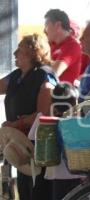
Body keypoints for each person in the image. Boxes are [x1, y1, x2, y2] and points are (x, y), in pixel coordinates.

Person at [0, 33, 57, 200]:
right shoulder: (17, 75)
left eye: (20, 50)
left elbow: (43, 114)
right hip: (20, 144)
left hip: (38, 146)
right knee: (24, 189)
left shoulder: (44, 76)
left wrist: (16, 124)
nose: (14, 53)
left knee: (38, 190)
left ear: (33, 52)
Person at [28, 83, 81, 200]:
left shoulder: (44, 119)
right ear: (74, 103)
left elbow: (32, 137)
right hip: (79, 173)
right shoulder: (78, 121)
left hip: (56, 174)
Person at [44, 9, 82, 85]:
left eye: (46, 26)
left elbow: (54, 73)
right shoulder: (51, 44)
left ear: (58, 25)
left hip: (61, 94)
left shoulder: (73, 46)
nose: (44, 30)